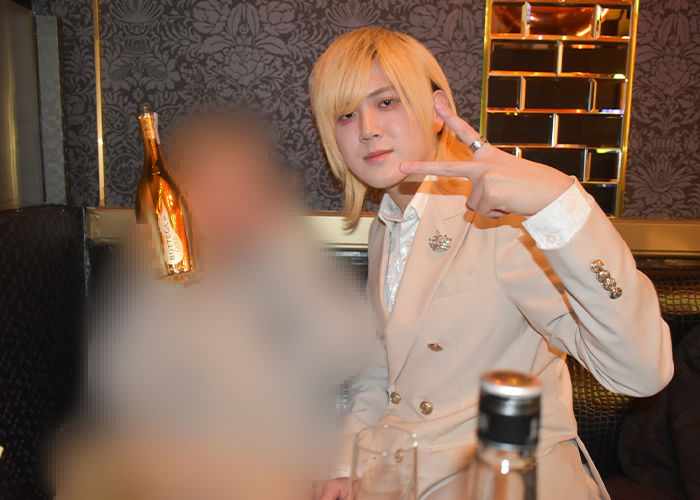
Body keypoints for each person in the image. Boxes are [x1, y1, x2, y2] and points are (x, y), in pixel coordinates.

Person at [310, 27, 673, 500]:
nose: (367, 128)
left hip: (505, 478)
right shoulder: (387, 226)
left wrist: (559, 203)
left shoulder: (501, 220)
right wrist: (347, 465)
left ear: (438, 111)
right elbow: (383, 370)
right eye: (346, 113)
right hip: (406, 476)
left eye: (387, 101)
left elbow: (641, 372)